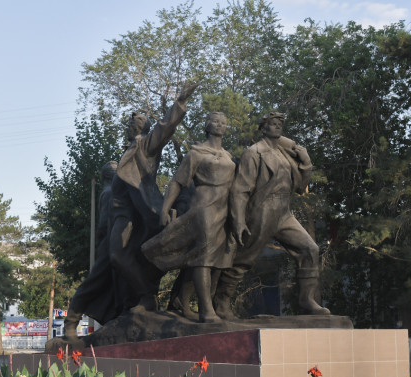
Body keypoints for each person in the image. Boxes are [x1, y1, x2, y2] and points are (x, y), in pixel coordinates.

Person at [214, 112, 330, 318]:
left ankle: (306, 300)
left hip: (284, 212)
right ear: (263, 128)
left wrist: (306, 163)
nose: (277, 127)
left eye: (279, 124)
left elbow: (300, 187)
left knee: (310, 249)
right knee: (244, 258)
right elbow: (240, 189)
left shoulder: (285, 154)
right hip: (262, 211)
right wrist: (239, 220)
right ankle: (221, 300)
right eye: (273, 124)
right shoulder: (254, 152)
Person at [109, 83, 198, 313]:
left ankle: (148, 297)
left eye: (133, 124)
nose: (129, 127)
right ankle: (140, 299)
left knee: (118, 256)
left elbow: (165, 128)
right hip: (125, 213)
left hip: (138, 212)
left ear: (141, 128)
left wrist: (180, 102)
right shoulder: (129, 148)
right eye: (129, 124)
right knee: (124, 258)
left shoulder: (145, 145)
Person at [142, 112, 237, 322]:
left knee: (220, 261)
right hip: (204, 207)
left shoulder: (228, 156)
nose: (220, 125)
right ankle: (206, 310)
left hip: (225, 208)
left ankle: (183, 302)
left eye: (223, 122)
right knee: (203, 258)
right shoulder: (196, 153)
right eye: (215, 121)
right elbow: (177, 182)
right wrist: (165, 209)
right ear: (207, 125)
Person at [45, 161, 119, 350]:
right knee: (93, 283)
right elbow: (103, 225)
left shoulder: (114, 193)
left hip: (115, 244)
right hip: (108, 245)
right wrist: (107, 245)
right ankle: (70, 323)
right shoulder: (109, 193)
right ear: (109, 176)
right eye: (116, 172)